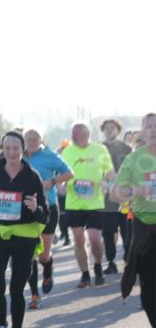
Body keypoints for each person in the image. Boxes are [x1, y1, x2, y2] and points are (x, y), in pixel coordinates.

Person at [0, 132, 48, 328]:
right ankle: (1, 327)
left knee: (17, 288)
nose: (11, 153)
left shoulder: (32, 176)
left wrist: (36, 209)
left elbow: (44, 214)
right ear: (2, 148)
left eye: (15, 148)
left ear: (23, 148)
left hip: (24, 237)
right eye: (7, 148)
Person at [113, 112, 156, 328]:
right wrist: (133, 190)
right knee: (149, 283)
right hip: (144, 227)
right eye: (148, 126)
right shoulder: (134, 159)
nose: (153, 130)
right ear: (142, 131)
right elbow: (115, 193)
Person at [23, 128, 74, 308]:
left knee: (43, 254)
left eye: (35, 138)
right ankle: (35, 295)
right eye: (28, 138)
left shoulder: (50, 155)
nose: (31, 141)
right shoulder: (19, 157)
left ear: (41, 139)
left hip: (48, 207)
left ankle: (48, 269)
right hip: (25, 210)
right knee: (30, 253)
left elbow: (69, 173)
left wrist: (51, 182)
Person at [61, 122, 115, 288]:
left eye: (77, 135)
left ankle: (98, 265)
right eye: (73, 135)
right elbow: (60, 173)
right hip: (74, 202)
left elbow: (110, 173)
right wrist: (60, 186)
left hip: (95, 202)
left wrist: (107, 182)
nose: (74, 138)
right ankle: (85, 274)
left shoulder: (100, 150)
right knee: (78, 239)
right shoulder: (67, 151)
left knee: (95, 239)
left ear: (86, 135)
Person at [101, 118, 134, 273]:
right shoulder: (98, 149)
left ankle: (128, 259)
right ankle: (111, 262)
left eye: (112, 128)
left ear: (118, 130)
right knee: (108, 232)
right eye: (106, 128)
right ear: (103, 130)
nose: (109, 130)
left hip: (125, 197)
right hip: (106, 198)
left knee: (127, 230)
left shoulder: (127, 149)